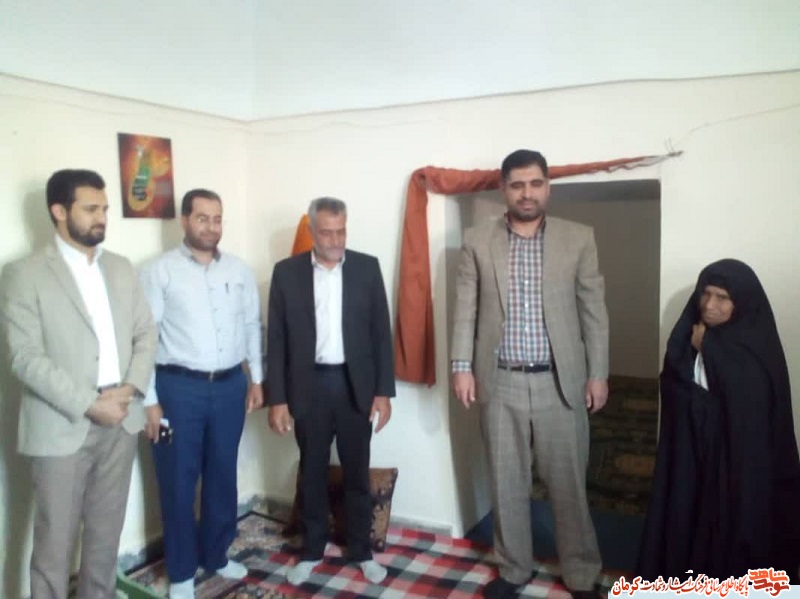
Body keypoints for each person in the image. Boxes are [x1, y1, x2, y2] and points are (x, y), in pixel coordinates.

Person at [451, 149, 609, 599]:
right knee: (506, 483)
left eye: (535, 183)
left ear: (547, 187)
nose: (527, 193)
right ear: (504, 189)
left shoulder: (578, 238)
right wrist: (462, 367)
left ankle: (581, 573)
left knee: (568, 485)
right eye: (517, 184)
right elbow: (466, 309)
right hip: (499, 381)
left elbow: (593, 312)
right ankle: (513, 568)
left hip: (561, 383)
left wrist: (598, 373)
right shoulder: (477, 240)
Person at [1, 169, 158, 599]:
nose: (101, 218)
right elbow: (24, 357)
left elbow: (146, 333)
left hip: (121, 418)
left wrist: (131, 388)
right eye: (90, 209)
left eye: (104, 209)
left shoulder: (120, 268)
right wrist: (90, 403)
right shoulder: (23, 274)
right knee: (53, 546)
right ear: (58, 211)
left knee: (105, 540)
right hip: (61, 425)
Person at [637, 259, 800, 583]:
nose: (709, 305)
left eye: (722, 297)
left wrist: (708, 348)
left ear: (741, 302)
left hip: (736, 471)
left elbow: (748, 408)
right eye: (706, 294)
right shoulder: (687, 336)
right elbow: (675, 384)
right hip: (690, 461)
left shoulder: (755, 349)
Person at [140, 189, 264, 599]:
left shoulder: (239, 271)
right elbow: (145, 338)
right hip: (178, 389)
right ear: (184, 220)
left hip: (230, 387)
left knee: (222, 474)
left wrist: (257, 379)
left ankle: (216, 554)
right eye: (202, 218)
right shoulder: (159, 271)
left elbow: (252, 325)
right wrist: (149, 399)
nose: (211, 227)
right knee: (178, 479)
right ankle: (180, 573)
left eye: (217, 218)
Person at [266, 197, 395, 586]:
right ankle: (311, 550)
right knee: (312, 470)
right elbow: (277, 339)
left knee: (357, 471)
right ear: (311, 231)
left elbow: (381, 333)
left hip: (355, 386)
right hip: (309, 386)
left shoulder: (367, 268)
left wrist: (383, 392)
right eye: (327, 232)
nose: (336, 240)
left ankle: (361, 551)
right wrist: (278, 399)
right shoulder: (286, 273)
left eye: (341, 231)